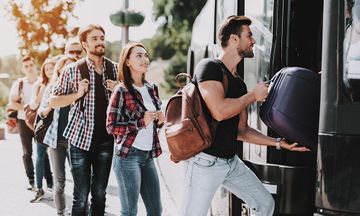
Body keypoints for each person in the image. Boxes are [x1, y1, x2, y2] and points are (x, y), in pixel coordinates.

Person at [181, 15, 310, 216]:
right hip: (205, 162)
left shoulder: (239, 83)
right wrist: (253, 96)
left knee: (265, 203)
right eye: (249, 35)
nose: (254, 41)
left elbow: (241, 130)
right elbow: (220, 111)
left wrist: (278, 142)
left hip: (230, 163)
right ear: (234, 39)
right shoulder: (209, 68)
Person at [49, 24, 118, 216]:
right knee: (81, 195)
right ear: (84, 44)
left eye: (101, 38)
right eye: (94, 39)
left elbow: (128, 105)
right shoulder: (72, 70)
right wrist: (77, 94)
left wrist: (119, 90)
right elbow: (53, 101)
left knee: (100, 193)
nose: (99, 42)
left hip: (106, 141)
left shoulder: (115, 69)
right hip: (79, 140)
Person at [106, 42, 164, 216]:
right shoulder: (121, 91)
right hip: (128, 156)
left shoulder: (152, 88)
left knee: (155, 210)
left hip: (148, 156)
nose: (144, 59)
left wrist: (160, 120)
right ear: (128, 62)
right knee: (130, 211)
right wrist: (141, 122)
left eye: (145, 55)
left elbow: (154, 123)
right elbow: (111, 126)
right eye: (138, 55)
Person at [8, 56, 53, 191]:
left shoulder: (42, 82)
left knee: (43, 151)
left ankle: (49, 180)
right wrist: (28, 108)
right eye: (26, 66)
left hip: (39, 121)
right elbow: (12, 103)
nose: (29, 68)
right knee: (27, 152)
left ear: (35, 66)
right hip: (23, 121)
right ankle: (31, 179)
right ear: (23, 69)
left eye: (31, 65)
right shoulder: (19, 84)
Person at [39, 55, 77, 215]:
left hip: (75, 141)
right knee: (59, 181)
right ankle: (60, 213)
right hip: (55, 141)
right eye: (66, 67)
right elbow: (41, 113)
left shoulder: (80, 89)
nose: (69, 71)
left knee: (80, 181)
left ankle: (80, 211)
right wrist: (49, 106)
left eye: (72, 67)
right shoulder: (51, 88)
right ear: (60, 69)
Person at [29, 58, 56, 202]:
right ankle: (39, 188)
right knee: (39, 157)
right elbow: (34, 106)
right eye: (47, 69)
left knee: (60, 158)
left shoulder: (61, 83)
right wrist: (43, 88)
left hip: (57, 124)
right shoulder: (39, 85)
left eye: (52, 68)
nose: (50, 71)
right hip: (42, 123)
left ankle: (58, 191)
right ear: (44, 71)